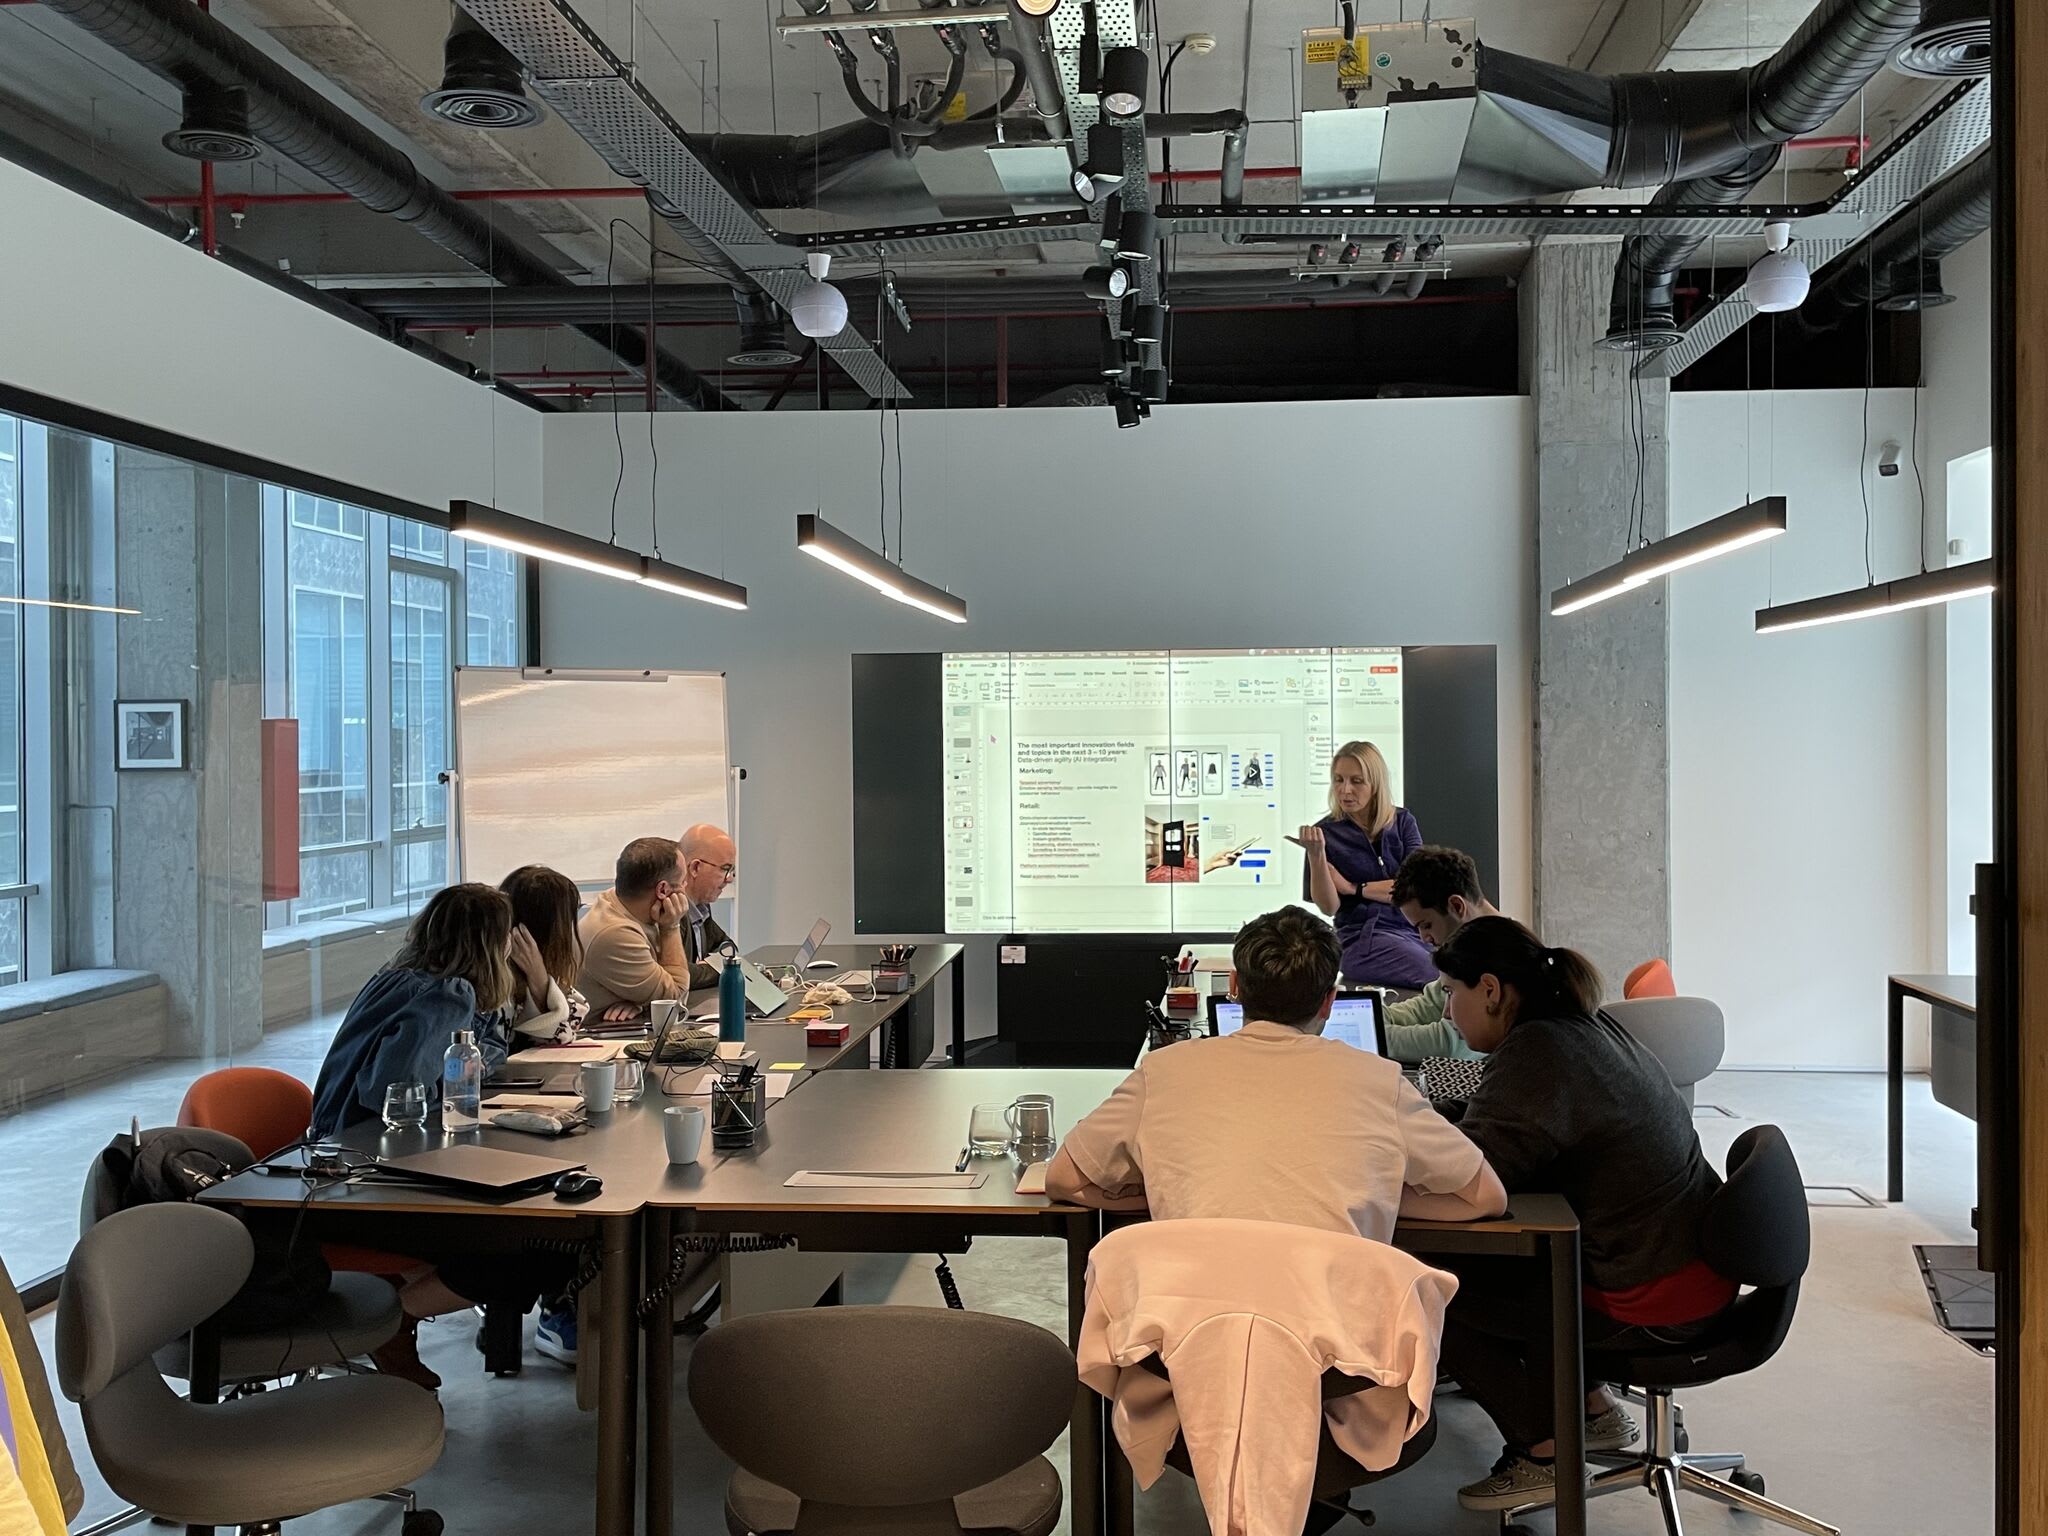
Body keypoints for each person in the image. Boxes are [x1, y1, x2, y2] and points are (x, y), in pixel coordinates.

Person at [1428, 916, 1737, 1512]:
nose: (1446, 1012)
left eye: (1450, 992)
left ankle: (1540, 1451)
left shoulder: (1540, 1050)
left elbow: (1475, 1179)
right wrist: (1433, 1115)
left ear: (1490, 990)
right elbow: (1513, 1120)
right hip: (1686, 1259)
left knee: (1429, 1280)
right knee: (1513, 1254)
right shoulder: (1578, 1029)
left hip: (1652, 1294)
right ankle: (1593, 1411)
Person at [1047, 905, 1505, 1241]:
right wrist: (1370, 1199)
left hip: (1195, 1337)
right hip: (1337, 1350)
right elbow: (1485, 1197)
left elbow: (1064, 1179)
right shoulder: (1381, 1082)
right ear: (1330, 1001)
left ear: (1233, 988)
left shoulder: (1163, 1071)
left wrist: (1175, 1193)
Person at [310, 884, 569, 1390]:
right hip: (377, 1172)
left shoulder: (397, 977)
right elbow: (393, 1089)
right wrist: (474, 1064)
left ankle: (392, 1319)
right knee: (536, 1243)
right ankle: (391, 1323)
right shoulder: (448, 993)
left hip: (337, 1156)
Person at [310, 883, 518, 1138]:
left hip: (335, 1137)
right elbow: (401, 1099)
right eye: (508, 933)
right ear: (490, 945)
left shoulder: (397, 976)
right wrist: (460, 1080)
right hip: (370, 1148)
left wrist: (468, 1065)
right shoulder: (447, 995)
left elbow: (493, 1048)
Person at [1299, 741, 1435, 989]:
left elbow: (1414, 890)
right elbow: (1329, 907)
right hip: (1364, 939)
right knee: (1438, 977)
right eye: (1338, 780)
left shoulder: (1403, 821)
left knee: (1468, 965)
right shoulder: (1324, 833)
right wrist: (1317, 856)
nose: (1345, 790)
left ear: (1375, 784)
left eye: (1356, 781)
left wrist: (1353, 888)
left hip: (1414, 933)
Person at [1382, 845, 1498, 1064]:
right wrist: (1375, 1018)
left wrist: (1367, 1034)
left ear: (1456, 906)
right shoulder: (1467, 949)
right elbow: (1428, 1006)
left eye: (1426, 925)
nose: (1424, 938)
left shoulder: (1502, 955)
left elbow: (1447, 1040)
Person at [577, 837, 694, 1018]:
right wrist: (671, 928)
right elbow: (674, 1002)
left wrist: (641, 1002)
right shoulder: (614, 932)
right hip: (594, 1039)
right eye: (683, 881)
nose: (686, 889)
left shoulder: (627, 904)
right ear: (663, 890)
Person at [500, 864, 590, 1045]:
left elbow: (575, 1016)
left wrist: (539, 978)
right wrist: (539, 978)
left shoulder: (535, 968)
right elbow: (560, 1039)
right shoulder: (499, 986)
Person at [675, 823, 739, 991]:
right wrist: (716, 967)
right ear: (695, 868)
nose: (730, 879)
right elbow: (681, 975)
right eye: (725, 869)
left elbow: (729, 947)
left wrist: (704, 967)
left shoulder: (701, 906)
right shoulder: (670, 912)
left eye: (732, 870)